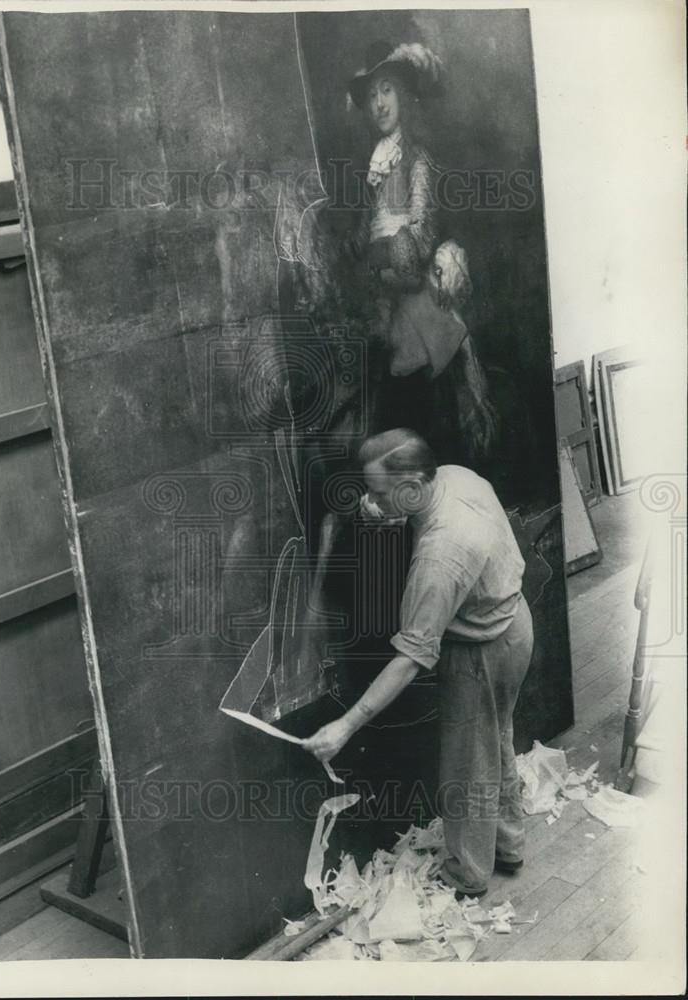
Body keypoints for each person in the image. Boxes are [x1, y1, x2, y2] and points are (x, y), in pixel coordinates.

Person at [303, 427, 534, 899]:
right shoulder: (455, 477)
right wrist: (391, 512)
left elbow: (410, 658)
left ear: (411, 486)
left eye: (378, 492)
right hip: (514, 625)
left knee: (466, 764)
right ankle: (508, 844)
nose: (370, 501)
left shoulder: (441, 556)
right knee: (496, 738)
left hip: (480, 652)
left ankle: (467, 874)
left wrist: (344, 727)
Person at [344, 40, 497, 468]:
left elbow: (418, 242)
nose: (379, 103)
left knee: (433, 439)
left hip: (421, 316)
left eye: (386, 90)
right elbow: (362, 241)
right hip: (387, 314)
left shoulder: (416, 160)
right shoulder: (372, 168)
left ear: (404, 96)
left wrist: (378, 255)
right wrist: (353, 250)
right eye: (372, 95)